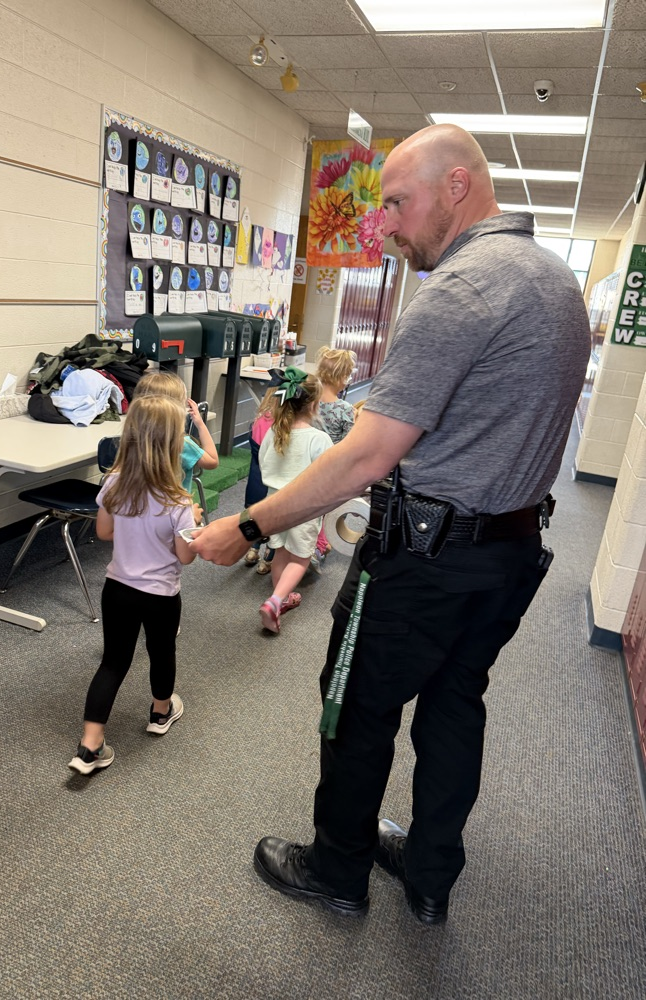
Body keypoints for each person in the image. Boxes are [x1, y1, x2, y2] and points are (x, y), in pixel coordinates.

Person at [192, 123, 590, 924]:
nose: (387, 226)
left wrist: (249, 528)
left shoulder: (460, 291)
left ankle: (338, 868)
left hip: (422, 562)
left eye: (399, 203)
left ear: (457, 188)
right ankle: (431, 873)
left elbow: (365, 458)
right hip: (510, 553)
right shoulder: (556, 284)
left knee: (358, 704)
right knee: (453, 703)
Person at [68, 396, 198, 775]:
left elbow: (104, 532)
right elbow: (185, 557)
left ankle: (90, 746)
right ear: (175, 444)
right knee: (161, 651)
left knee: (113, 662)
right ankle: (160, 712)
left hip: (118, 589)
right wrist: (195, 527)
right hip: (160, 595)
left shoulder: (113, 484)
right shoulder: (178, 500)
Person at [256, 368, 332, 633]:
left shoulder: (274, 432)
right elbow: (329, 475)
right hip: (304, 508)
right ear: (313, 405)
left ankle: (283, 596)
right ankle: (275, 601)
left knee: (280, 552)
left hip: (274, 506)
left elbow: (263, 464)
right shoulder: (319, 439)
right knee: (299, 558)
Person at [132, 369, 219, 493]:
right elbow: (213, 461)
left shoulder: (132, 438)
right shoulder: (181, 444)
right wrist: (200, 423)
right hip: (176, 508)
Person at [312, 348, 359, 567]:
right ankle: (316, 547)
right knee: (322, 509)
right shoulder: (345, 410)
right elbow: (350, 446)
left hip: (306, 463)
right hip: (331, 469)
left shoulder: (308, 402)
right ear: (342, 378)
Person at [243, 387, 275, 575]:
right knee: (275, 522)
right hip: (272, 483)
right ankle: (267, 560)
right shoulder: (282, 426)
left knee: (254, 517)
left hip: (255, 481)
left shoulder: (258, 420)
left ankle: (252, 550)